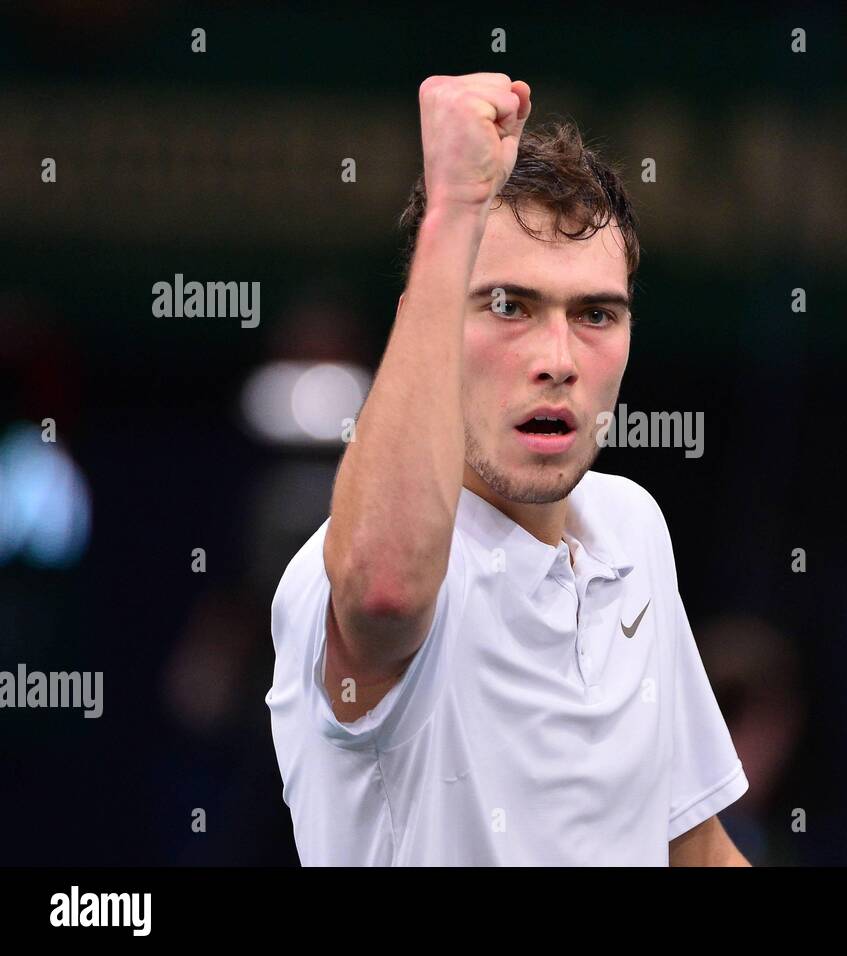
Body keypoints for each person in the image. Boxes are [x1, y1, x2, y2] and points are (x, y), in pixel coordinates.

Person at [265, 73, 749, 865]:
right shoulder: (351, 575)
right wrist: (454, 208)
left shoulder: (633, 527)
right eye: (506, 307)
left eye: (595, 314)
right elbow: (386, 589)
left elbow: (691, 846)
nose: (557, 359)